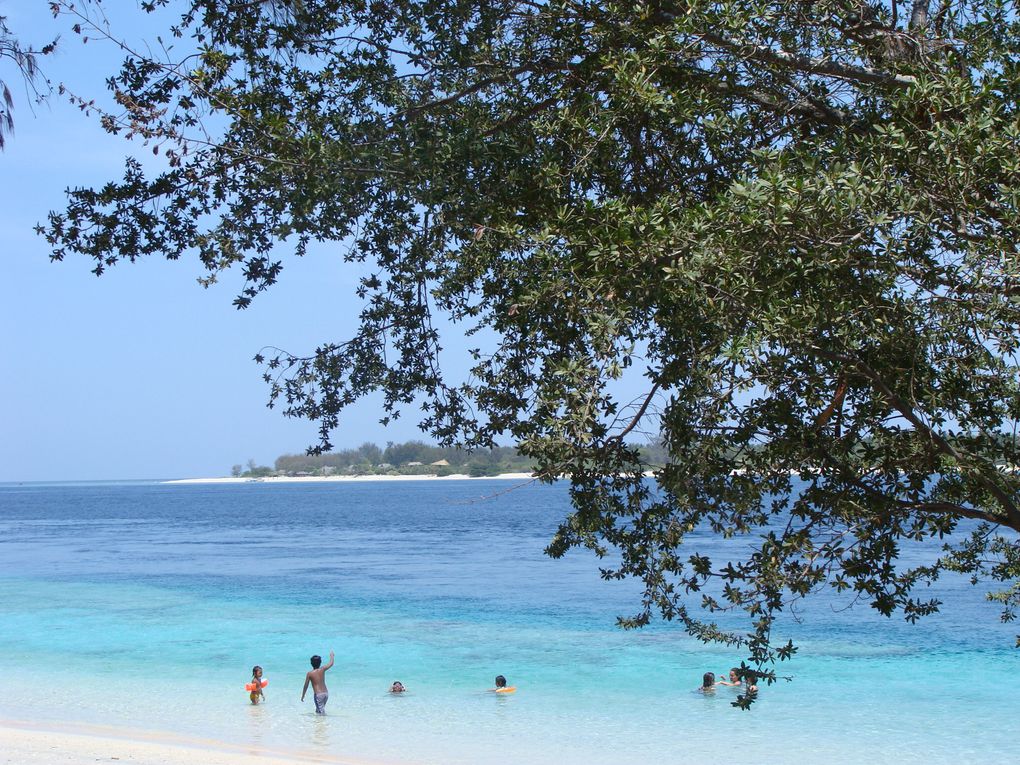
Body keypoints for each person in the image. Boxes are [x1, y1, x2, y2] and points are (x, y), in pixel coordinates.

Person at [301, 650, 334, 714]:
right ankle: (317, 722)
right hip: (326, 694)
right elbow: (331, 663)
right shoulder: (322, 669)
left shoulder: (310, 673)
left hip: (319, 695)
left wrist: (303, 695)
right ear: (320, 662)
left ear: (311, 663)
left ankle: (323, 723)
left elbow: (305, 686)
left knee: (321, 713)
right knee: (318, 710)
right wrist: (332, 656)